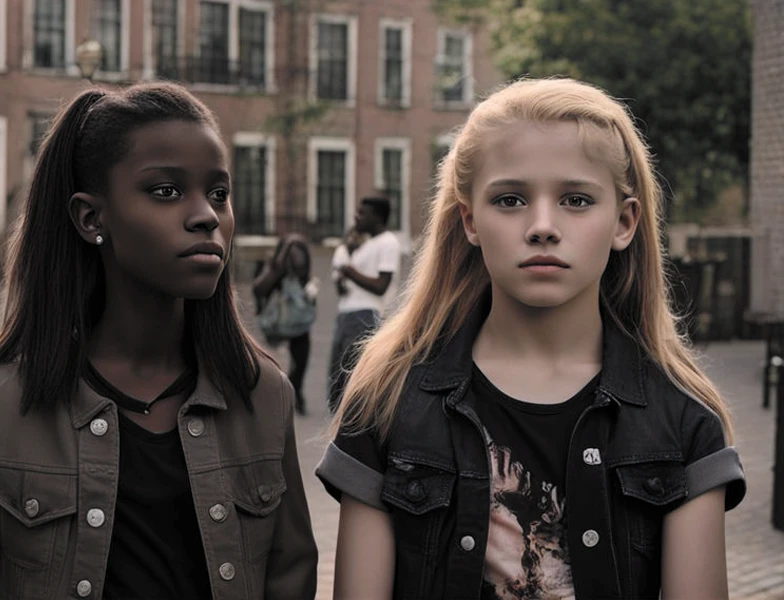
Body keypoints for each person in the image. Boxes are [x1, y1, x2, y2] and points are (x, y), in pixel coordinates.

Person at [316, 78, 747, 600]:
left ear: (625, 222)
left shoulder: (682, 418)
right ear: (470, 220)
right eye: (511, 199)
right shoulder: (387, 401)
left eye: (576, 199)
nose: (542, 226)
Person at [0, 83, 318, 599]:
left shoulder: (263, 397)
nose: (207, 216)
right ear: (91, 218)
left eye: (218, 193)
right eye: (166, 191)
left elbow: (291, 580)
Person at [327, 197, 401, 413]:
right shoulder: (364, 245)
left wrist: (348, 271)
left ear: (377, 217)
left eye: (362, 213)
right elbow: (343, 289)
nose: (356, 217)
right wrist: (340, 279)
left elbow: (381, 286)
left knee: (353, 380)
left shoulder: (388, 242)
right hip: (344, 314)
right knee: (336, 381)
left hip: (365, 315)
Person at [253, 233, 320, 415]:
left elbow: (309, 300)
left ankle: (295, 391)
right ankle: (279, 396)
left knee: (301, 362)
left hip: (298, 325)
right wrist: (278, 267)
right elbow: (258, 290)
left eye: (299, 252)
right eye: (291, 251)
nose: (295, 257)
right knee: (273, 366)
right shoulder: (272, 267)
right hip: (275, 325)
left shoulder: (301, 271)